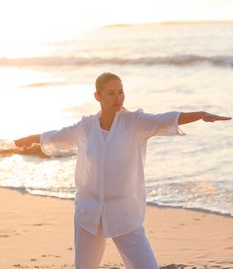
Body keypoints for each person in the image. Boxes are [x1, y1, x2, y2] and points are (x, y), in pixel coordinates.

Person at [14, 72, 231, 269]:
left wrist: (201, 114)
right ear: (97, 96)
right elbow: (57, 136)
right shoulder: (86, 126)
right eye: (111, 93)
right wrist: (30, 140)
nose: (118, 98)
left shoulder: (135, 122)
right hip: (88, 213)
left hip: (124, 213)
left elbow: (166, 118)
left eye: (120, 92)